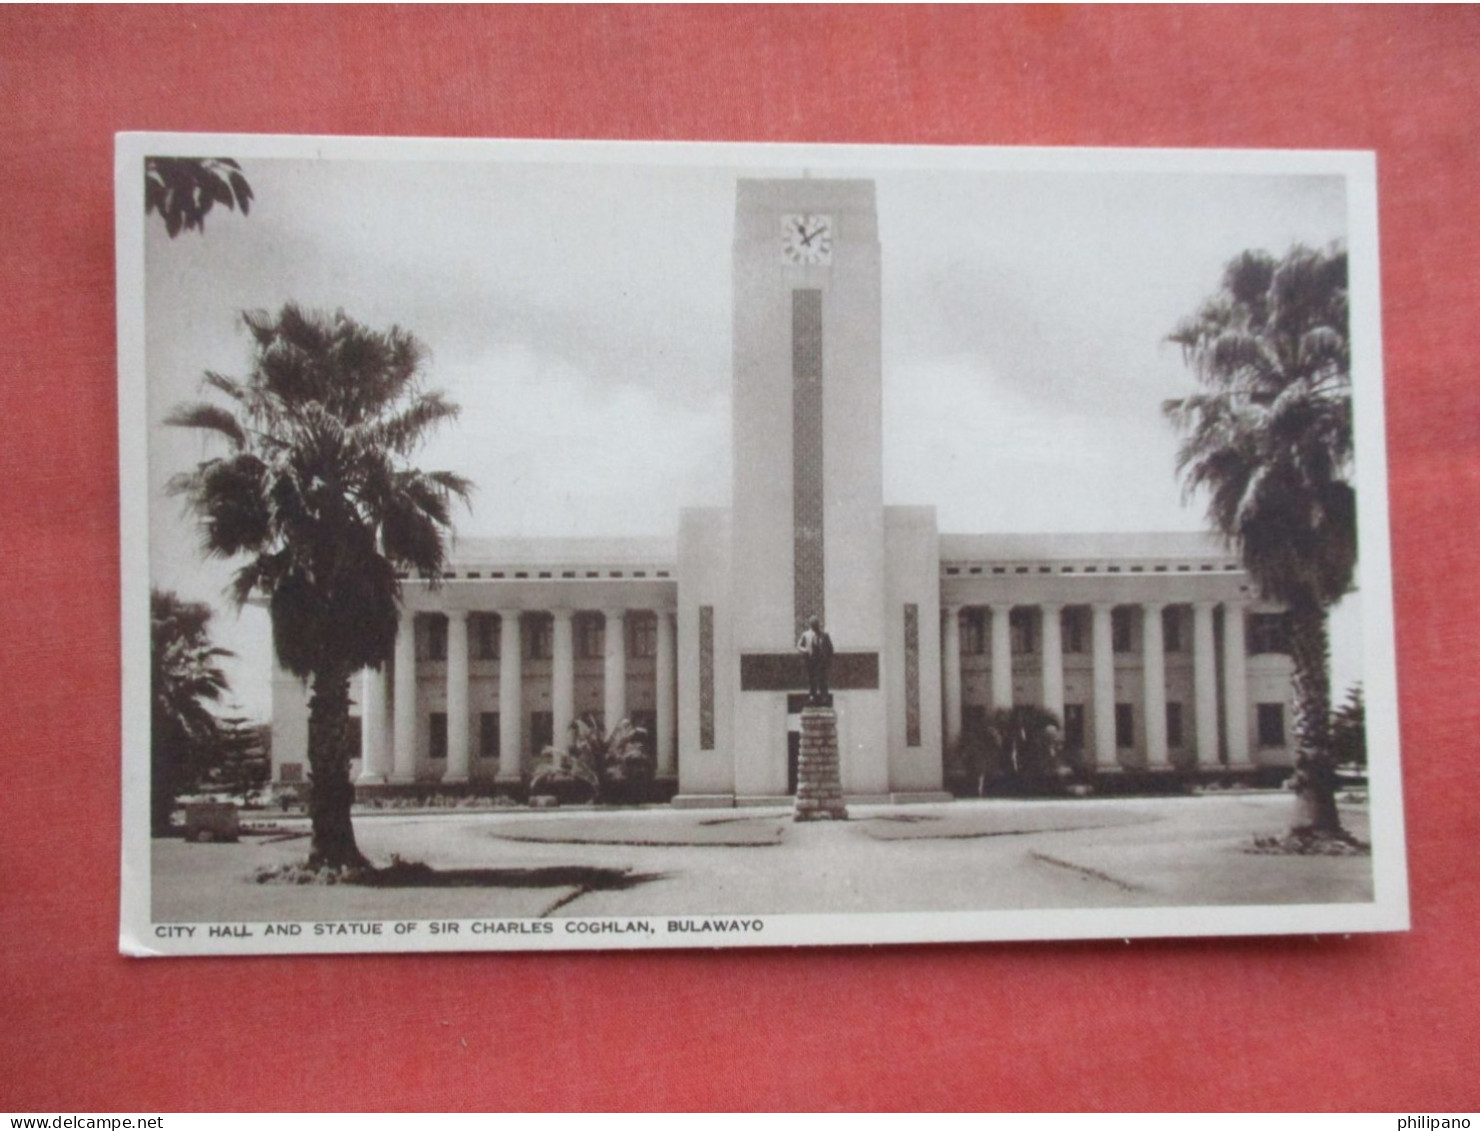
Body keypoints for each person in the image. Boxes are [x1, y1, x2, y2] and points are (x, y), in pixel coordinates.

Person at [796, 615, 834, 704]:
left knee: (823, 679)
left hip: (821, 662)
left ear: (818, 624)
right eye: (813, 624)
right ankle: (812, 696)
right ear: (810, 625)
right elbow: (798, 646)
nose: (815, 626)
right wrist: (805, 650)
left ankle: (824, 696)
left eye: (816, 624)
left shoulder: (825, 635)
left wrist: (828, 661)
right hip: (811, 661)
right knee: (812, 679)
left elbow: (831, 650)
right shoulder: (805, 635)